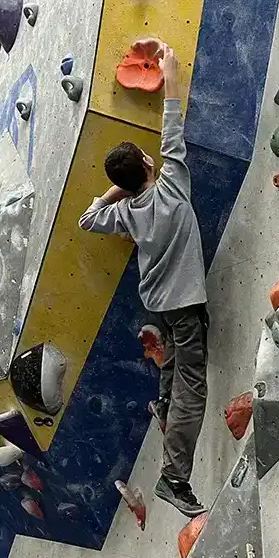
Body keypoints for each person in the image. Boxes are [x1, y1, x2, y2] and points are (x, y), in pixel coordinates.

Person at [78, 46, 208, 517]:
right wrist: (171, 74)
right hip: (185, 304)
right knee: (195, 389)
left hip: (161, 304)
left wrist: (123, 185)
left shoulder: (127, 214)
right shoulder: (172, 185)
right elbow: (173, 127)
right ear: (151, 166)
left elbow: (87, 219)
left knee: (174, 364)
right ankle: (175, 478)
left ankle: (162, 406)